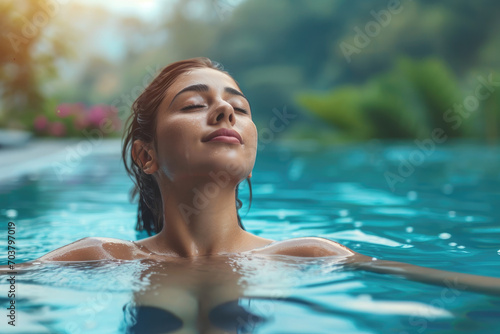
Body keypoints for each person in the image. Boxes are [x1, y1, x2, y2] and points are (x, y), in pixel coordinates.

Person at [2, 57, 500, 297]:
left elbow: (460, 285)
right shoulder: (99, 257)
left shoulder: (312, 256)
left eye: (239, 107)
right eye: (196, 104)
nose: (224, 111)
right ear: (146, 155)